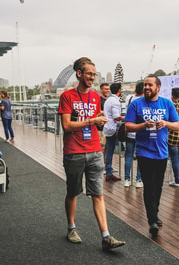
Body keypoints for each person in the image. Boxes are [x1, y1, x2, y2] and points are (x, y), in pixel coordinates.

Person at [58, 57, 125, 250]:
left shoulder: (96, 97)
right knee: (73, 192)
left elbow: (96, 118)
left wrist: (100, 121)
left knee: (98, 194)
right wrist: (91, 122)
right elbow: (66, 125)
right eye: (89, 74)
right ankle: (71, 228)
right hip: (74, 151)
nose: (92, 78)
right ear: (79, 74)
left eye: (94, 75)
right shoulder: (67, 96)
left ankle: (106, 236)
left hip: (95, 149)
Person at [124, 75, 179, 236]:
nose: (146, 88)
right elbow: (127, 127)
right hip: (144, 152)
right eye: (145, 85)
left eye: (150, 85)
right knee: (149, 186)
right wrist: (143, 125)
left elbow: (177, 125)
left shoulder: (167, 103)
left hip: (162, 152)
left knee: (158, 186)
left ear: (158, 87)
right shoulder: (136, 104)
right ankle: (152, 220)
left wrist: (166, 123)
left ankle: (154, 213)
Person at [123, 82, 144, 188]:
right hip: (141, 132)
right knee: (141, 157)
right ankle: (139, 180)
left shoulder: (129, 98)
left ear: (135, 91)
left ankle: (127, 179)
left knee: (128, 156)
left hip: (130, 131)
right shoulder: (144, 102)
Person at [103, 83, 124, 181]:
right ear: (119, 90)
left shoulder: (108, 100)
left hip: (107, 127)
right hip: (113, 129)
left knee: (109, 151)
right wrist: (126, 117)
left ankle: (108, 171)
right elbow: (116, 117)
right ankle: (109, 172)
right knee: (111, 151)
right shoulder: (115, 102)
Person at [98, 83, 110, 157]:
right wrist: (108, 112)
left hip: (108, 128)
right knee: (101, 147)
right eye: (106, 89)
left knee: (107, 148)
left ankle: (105, 165)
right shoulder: (99, 99)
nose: (107, 91)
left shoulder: (109, 100)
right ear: (101, 90)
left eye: (108, 89)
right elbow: (97, 112)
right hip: (100, 128)